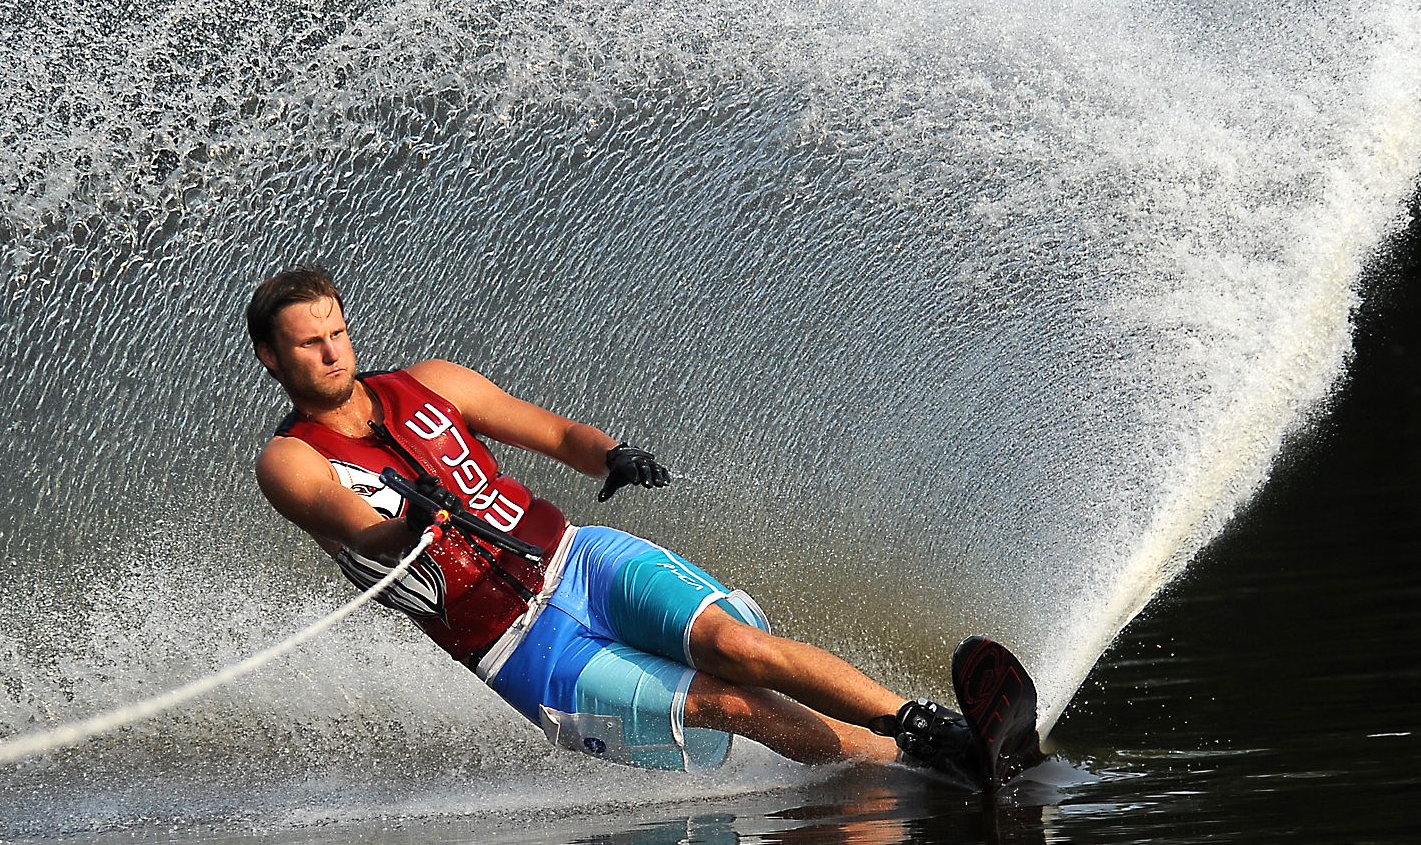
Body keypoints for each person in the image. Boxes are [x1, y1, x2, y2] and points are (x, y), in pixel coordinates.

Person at [248, 266, 975, 779]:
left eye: (337, 331)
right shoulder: (290, 459)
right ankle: (918, 769)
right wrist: (409, 524)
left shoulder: (430, 381)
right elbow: (360, 529)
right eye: (310, 343)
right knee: (732, 703)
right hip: (519, 647)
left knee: (737, 644)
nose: (332, 350)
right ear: (271, 358)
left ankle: (923, 724)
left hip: (578, 560)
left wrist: (612, 455)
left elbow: (560, 436)